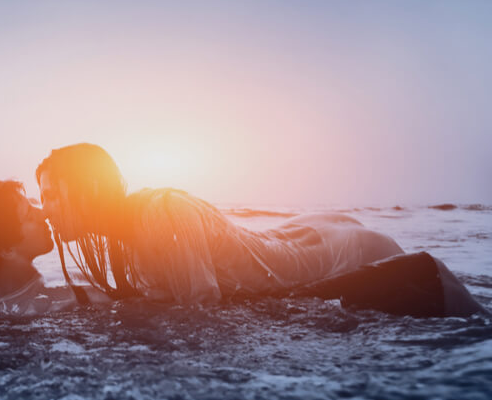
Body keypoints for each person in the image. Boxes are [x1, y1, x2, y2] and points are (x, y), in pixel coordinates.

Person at [36, 143, 489, 317]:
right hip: (301, 241)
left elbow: (202, 313)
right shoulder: (125, 239)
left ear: (88, 188)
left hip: (350, 252)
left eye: (52, 194)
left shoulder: (159, 213)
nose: (46, 209)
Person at [0, 180, 109, 316]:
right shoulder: (67, 301)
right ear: (7, 250)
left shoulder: (3, 308)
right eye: (30, 216)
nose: (43, 214)